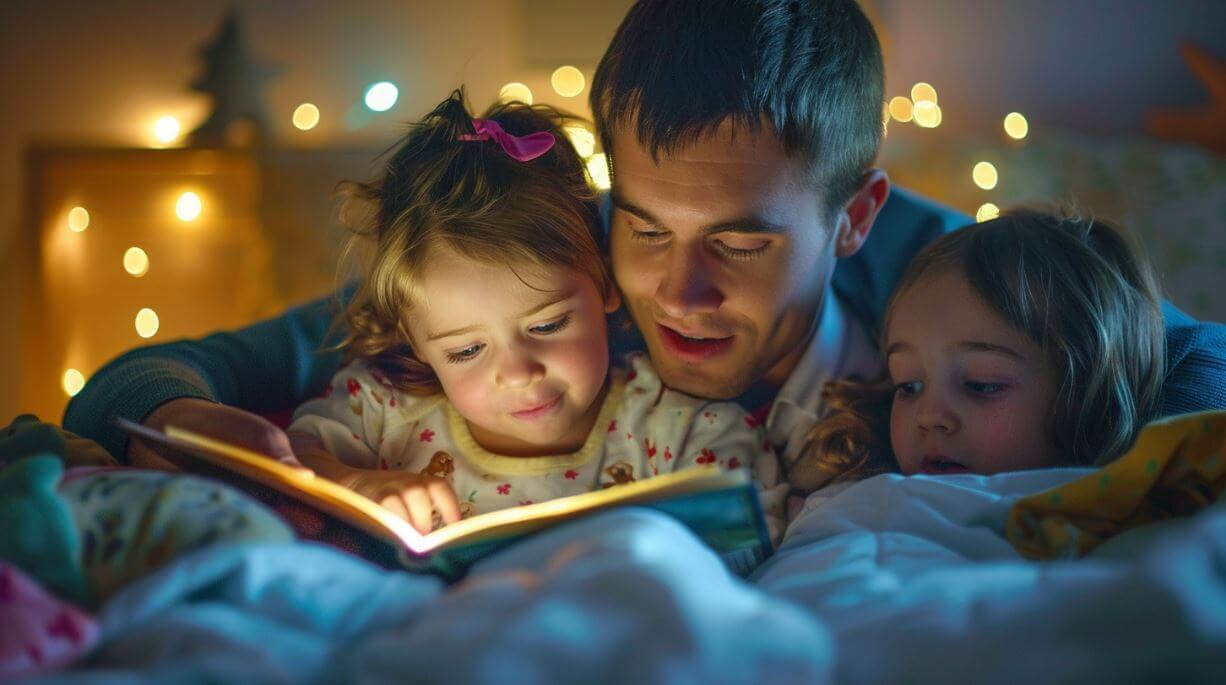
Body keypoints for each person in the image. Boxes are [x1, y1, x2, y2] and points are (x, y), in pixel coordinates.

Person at [63, 0, 1226, 487]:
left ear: (853, 216)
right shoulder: (542, 291)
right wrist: (194, 419)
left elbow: (1195, 362)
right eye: (645, 224)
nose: (679, 290)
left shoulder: (936, 276)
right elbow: (142, 379)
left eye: (742, 243)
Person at [281, 91, 784, 535]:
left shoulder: (677, 426)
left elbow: (750, 534)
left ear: (606, 283)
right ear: (414, 339)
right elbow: (284, 461)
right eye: (466, 350)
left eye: (547, 324)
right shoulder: (382, 411)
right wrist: (355, 482)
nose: (518, 373)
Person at [789, 210, 1165, 492]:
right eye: (908, 386)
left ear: (1089, 392)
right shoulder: (851, 496)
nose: (929, 416)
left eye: (980, 384)